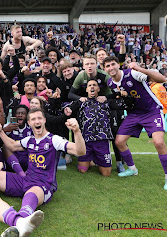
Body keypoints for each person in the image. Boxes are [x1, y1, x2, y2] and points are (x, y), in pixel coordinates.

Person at [0, 108, 85, 236]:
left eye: (40, 118)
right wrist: (0, 132)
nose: (37, 121)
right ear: (29, 123)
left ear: (44, 120)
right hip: (26, 180)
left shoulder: (54, 140)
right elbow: (13, 145)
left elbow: (80, 151)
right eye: (34, 119)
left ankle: (21, 222)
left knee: (31, 193)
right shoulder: (29, 140)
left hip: (43, 185)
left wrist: (76, 131)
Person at [104, 56, 167, 189]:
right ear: (104, 69)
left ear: (118, 65)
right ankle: (132, 169)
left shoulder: (132, 73)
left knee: (159, 142)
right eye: (107, 66)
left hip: (152, 110)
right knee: (119, 142)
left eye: (113, 64)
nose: (111, 68)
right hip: (134, 114)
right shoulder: (110, 83)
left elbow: (162, 79)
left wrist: (139, 68)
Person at [66, 79, 132, 176]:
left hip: (102, 141)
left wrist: (125, 95)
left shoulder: (106, 102)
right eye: (89, 85)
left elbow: (125, 104)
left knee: (106, 174)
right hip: (86, 141)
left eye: (94, 85)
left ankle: (96, 159)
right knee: (82, 170)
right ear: (86, 90)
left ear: (98, 89)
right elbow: (67, 108)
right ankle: (93, 159)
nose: (92, 87)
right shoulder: (81, 102)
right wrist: (67, 109)